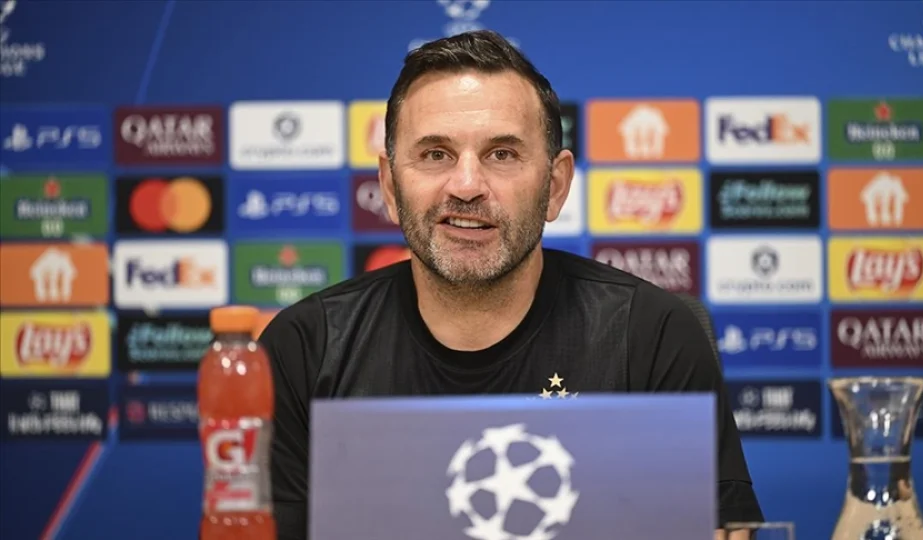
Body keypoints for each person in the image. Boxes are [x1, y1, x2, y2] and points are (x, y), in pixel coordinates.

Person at [258, 29, 764, 540]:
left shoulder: (651, 335)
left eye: (502, 154)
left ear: (555, 187)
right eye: (435, 154)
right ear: (390, 186)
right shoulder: (305, 348)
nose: (466, 186)